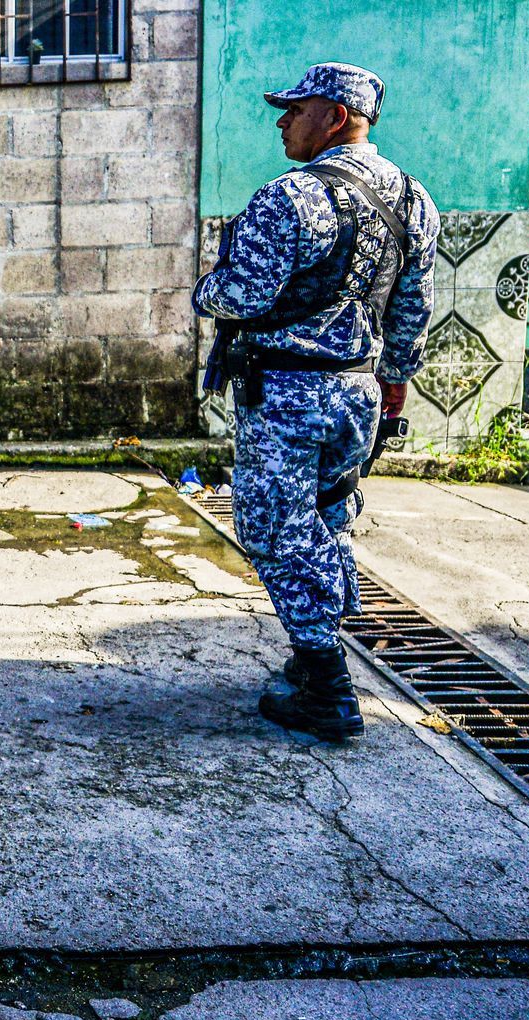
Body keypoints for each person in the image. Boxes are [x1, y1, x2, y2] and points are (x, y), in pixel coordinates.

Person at [192, 63, 440, 741]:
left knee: (273, 528)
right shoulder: (413, 198)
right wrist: (395, 380)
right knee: (329, 518)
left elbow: (239, 296)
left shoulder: (290, 197)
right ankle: (312, 657)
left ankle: (328, 688)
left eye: (295, 110)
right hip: (359, 391)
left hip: (288, 394)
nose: (283, 121)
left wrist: (204, 290)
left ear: (336, 117)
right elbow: (413, 307)